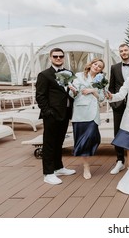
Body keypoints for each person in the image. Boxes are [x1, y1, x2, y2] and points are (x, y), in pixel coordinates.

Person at [35, 47, 76, 185]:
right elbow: (40, 96)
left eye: (60, 56)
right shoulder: (44, 75)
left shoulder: (69, 73)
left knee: (59, 142)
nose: (58, 58)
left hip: (65, 114)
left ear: (63, 58)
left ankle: (58, 167)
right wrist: (48, 112)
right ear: (50, 58)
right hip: (52, 115)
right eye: (55, 56)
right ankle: (48, 173)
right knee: (49, 144)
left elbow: (69, 93)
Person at [68, 58, 106, 180]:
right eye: (95, 64)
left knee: (93, 138)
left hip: (94, 113)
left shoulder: (101, 79)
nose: (97, 67)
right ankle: (86, 166)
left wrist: (93, 90)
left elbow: (101, 99)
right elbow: (72, 94)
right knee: (82, 140)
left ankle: (86, 159)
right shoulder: (79, 76)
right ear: (91, 64)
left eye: (100, 66)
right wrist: (72, 90)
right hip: (81, 112)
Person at [108, 43, 129, 175]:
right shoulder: (114, 67)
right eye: (121, 51)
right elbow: (111, 86)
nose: (123, 52)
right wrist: (113, 103)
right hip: (118, 106)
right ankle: (119, 161)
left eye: (125, 50)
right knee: (118, 132)